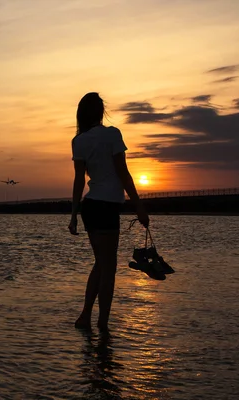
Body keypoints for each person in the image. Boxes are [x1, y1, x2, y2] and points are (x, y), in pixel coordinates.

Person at [68, 92, 149, 332]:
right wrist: (139, 207)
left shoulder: (79, 140)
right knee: (108, 267)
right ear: (101, 112)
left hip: (90, 207)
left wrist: (73, 214)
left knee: (101, 264)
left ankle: (85, 317)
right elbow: (123, 174)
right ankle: (102, 324)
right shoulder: (112, 135)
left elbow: (78, 181)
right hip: (106, 207)